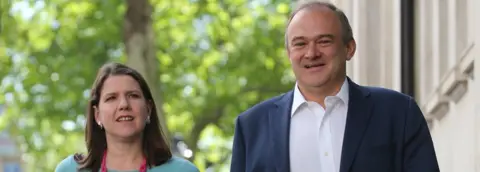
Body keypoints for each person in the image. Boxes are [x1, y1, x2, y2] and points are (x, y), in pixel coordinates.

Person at [230, 2, 439, 172]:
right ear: (288, 53)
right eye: (300, 44)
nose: (311, 53)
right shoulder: (251, 127)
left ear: (349, 48)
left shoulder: (398, 113)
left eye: (324, 41)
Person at [55, 63, 199, 172]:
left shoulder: (183, 170)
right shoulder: (69, 169)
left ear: (148, 109)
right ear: (97, 114)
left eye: (133, 96)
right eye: (111, 98)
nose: (124, 104)